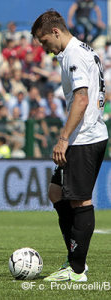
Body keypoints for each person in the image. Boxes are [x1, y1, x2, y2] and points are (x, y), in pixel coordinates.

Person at [31, 10, 108, 281]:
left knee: (79, 200)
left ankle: (76, 268)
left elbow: (82, 99)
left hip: (83, 138)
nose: (44, 49)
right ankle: (75, 258)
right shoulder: (84, 51)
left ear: (55, 32)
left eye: (43, 41)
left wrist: (64, 138)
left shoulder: (74, 55)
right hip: (88, 133)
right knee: (56, 193)